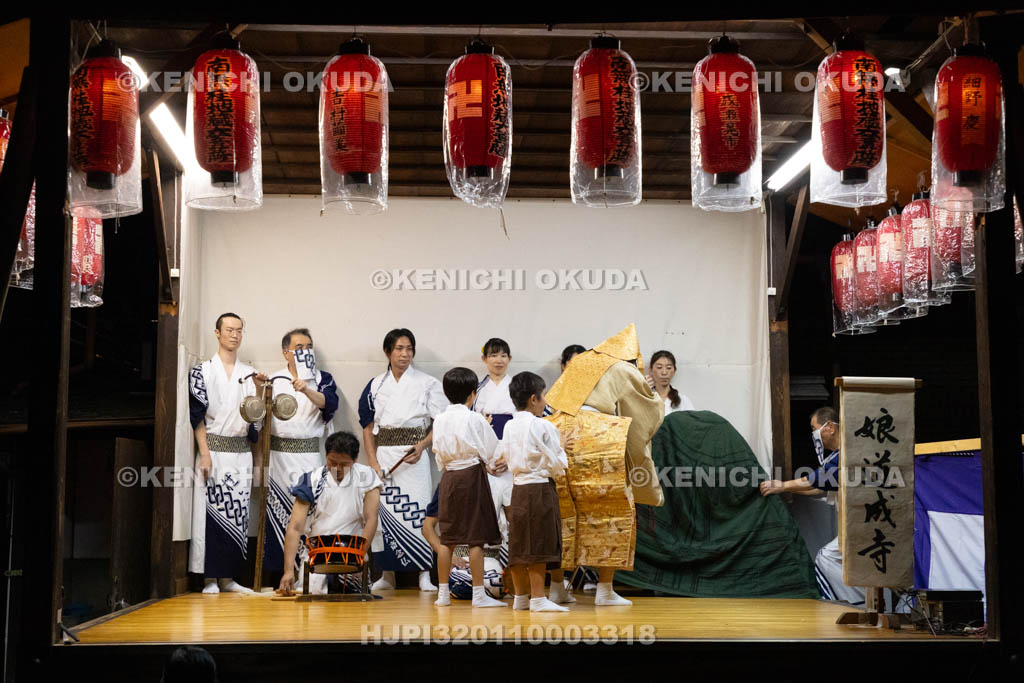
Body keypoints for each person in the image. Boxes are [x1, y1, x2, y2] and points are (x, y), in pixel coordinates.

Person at [544, 324, 665, 606]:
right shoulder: (621, 367)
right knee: (613, 508)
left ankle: (556, 587)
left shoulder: (581, 361)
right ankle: (605, 588)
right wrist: (653, 397)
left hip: (560, 431)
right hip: (599, 433)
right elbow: (646, 410)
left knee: (562, 510)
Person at [358, 328, 448, 592]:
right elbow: (367, 427)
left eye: (409, 349)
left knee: (418, 511)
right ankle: (386, 574)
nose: (404, 354)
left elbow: (440, 422)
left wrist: (422, 446)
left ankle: (423, 574)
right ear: (388, 352)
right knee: (384, 514)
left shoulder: (428, 383)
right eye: (399, 348)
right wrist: (373, 461)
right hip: (386, 457)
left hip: (415, 458)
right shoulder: (375, 385)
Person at [759, 406, 864, 605]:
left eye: (814, 428)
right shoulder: (836, 455)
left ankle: (857, 604)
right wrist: (784, 489)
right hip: (851, 524)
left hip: (862, 522)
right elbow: (819, 487)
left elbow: (818, 479)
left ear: (830, 427)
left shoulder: (850, 452)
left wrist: (782, 485)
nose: (813, 435)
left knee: (826, 558)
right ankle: (860, 603)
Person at [188, 312, 258, 594]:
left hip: (241, 453)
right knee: (209, 513)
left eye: (239, 330)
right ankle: (209, 578)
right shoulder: (201, 371)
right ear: (217, 333)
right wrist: (204, 452)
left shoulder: (249, 374)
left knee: (238, 514)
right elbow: (197, 416)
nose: (235, 334)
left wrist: (262, 391)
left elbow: (256, 420)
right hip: (214, 450)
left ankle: (229, 578)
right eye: (229, 329)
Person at [261, 328, 339, 580]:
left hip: (309, 457)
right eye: (299, 347)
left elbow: (330, 404)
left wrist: (306, 388)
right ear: (286, 353)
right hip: (278, 457)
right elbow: (257, 420)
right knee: (276, 512)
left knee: (310, 514)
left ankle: (310, 572)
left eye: (309, 346)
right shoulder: (274, 380)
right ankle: (279, 575)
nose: (305, 351)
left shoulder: (322, 378)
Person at [430, 366, 506, 608]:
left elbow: (438, 455)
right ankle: (478, 595)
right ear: (473, 394)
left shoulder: (440, 419)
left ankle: (442, 595)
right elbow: (492, 450)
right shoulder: (475, 418)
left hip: (449, 476)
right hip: (471, 475)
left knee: (447, 539)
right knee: (475, 539)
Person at [277, 431, 382, 596]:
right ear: (325, 456)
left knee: (353, 606)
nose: (338, 469)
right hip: (317, 557)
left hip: (353, 556)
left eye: (344, 464)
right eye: (332, 462)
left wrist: (358, 556)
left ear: (355, 460)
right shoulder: (311, 480)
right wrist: (288, 570)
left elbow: (371, 520)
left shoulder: (367, 477)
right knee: (315, 605)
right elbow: (295, 527)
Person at [503, 371, 572, 613]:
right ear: (534, 399)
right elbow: (558, 463)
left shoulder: (510, 425)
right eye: (543, 397)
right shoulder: (543, 425)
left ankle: (521, 597)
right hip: (540, 488)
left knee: (520, 543)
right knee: (539, 543)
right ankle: (538, 599)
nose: (545, 402)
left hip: (518, 489)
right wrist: (563, 447)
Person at [422, 471, 512, 602]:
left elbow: (514, 523)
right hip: (461, 559)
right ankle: (453, 591)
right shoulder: (448, 484)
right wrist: (450, 556)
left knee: (495, 584)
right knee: (462, 585)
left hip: (492, 558)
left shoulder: (502, 483)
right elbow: (427, 527)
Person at [473, 338, 516, 438]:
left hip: (513, 438)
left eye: (503, 356)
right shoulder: (477, 389)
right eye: (494, 356)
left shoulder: (519, 388)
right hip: (483, 438)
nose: (499, 360)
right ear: (484, 359)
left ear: (509, 359)